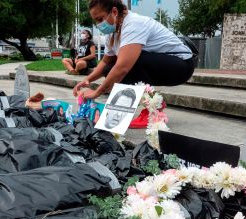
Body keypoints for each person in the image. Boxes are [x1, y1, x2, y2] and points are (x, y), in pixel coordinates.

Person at [73, 0, 195, 128]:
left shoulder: (134, 24)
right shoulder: (113, 32)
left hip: (181, 65)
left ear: (114, 12)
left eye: (100, 19)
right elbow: (105, 61)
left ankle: (152, 111)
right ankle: (154, 104)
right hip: (161, 63)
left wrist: (97, 92)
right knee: (109, 69)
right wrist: (87, 80)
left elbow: (123, 67)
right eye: (96, 21)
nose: (99, 25)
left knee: (129, 62)